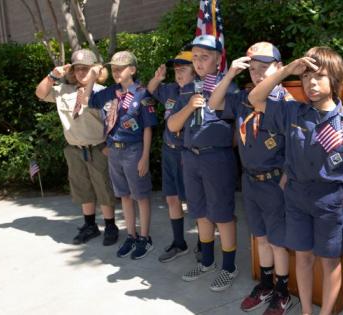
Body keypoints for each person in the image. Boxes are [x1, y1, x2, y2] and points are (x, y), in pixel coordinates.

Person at [248, 46, 343, 315]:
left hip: (328, 201)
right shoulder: (293, 112)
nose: (311, 83)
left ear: (335, 80)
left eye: (319, 76)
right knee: (302, 257)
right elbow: (255, 98)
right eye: (306, 77)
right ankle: (305, 310)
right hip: (296, 198)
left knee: (329, 262)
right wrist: (286, 71)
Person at [209, 42, 292, 314]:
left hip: (275, 181)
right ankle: (266, 284)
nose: (257, 74)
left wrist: (286, 177)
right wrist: (230, 74)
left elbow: (295, 145)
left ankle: (282, 292)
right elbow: (213, 103)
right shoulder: (244, 98)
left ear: (279, 69)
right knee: (261, 237)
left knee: (278, 242)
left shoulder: (285, 103)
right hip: (250, 180)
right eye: (253, 69)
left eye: (265, 68)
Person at [167, 35, 239, 292]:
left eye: (205, 56)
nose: (198, 62)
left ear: (219, 59)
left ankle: (229, 266)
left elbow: (235, 130)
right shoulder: (187, 88)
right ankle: (207, 260)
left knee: (221, 213)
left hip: (215, 158)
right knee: (200, 211)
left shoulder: (228, 87)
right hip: (190, 156)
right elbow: (173, 125)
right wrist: (188, 107)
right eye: (195, 57)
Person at [35, 49, 118, 246]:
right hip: (74, 149)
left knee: (104, 188)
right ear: (71, 71)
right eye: (77, 68)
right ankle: (90, 226)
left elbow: (114, 120)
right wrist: (53, 75)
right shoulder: (63, 91)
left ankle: (110, 225)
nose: (81, 72)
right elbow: (40, 93)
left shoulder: (102, 92)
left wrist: (109, 146)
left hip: (98, 148)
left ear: (95, 70)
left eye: (86, 68)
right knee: (82, 189)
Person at [84, 51, 158, 260]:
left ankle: (145, 237)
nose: (116, 72)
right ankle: (131, 235)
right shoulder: (110, 92)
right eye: (113, 68)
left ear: (132, 70)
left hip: (134, 150)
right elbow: (89, 101)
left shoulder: (142, 94)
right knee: (124, 195)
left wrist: (145, 157)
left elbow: (148, 128)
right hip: (114, 151)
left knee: (140, 196)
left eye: (121, 68)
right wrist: (91, 78)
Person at [147, 50, 195, 263]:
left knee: (195, 200)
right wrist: (157, 78)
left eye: (183, 69)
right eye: (176, 69)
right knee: (171, 197)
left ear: (195, 71)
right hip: (169, 151)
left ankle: (204, 243)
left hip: (188, 153)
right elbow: (150, 91)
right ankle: (179, 243)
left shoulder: (199, 92)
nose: (178, 73)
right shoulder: (170, 90)